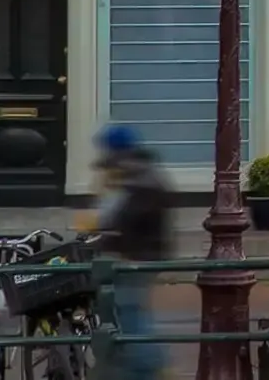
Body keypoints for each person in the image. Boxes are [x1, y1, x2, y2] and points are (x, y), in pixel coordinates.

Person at [89, 126, 172, 380]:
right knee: (125, 310)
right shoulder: (138, 173)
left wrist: (107, 229)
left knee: (130, 310)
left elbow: (121, 216)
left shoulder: (140, 179)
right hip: (136, 255)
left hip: (137, 258)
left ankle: (150, 369)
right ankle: (134, 367)